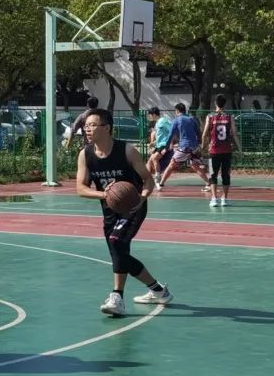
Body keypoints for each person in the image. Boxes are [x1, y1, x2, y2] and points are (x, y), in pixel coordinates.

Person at [75, 108, 172, 317]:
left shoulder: (127, 151)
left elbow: (147, 180)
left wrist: (143, 197)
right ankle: (158, 290)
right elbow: (80, 188)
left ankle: (116, 297)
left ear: (106, 128)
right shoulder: (85, 155)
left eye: (92, 125)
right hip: (110, 210)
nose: (87, 129)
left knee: (116, 243)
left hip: (133, 207)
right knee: (119, 253)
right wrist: (105, 194)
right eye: (86, 126)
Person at [157, 102, 211, 191]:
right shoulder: (192, 119)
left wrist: (166, 148)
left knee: (172, 163)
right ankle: (208, 183)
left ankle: (161, 184)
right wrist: (199, 144)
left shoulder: (176, 120)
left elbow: (170, 135)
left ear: (177, 111)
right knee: (195, 165)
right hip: (194, 147)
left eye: (175, 111)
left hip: (184, 147)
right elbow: (198, 132)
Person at [202, 95, 241, 207]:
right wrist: (240, 148)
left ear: (215, 103)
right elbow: (234, 133)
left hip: (214, 150)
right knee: (226, 175)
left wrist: (203, 146)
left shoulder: (210, 116)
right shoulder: (229, 116)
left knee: (212, 175)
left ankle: (214, 198)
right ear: (225, 104)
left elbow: (205, 133)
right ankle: (225, 198)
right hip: (226, 150)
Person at [145, 106, 172, 186]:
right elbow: (160, 135)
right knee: (149, 161)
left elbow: (171, 131)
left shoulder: (163, 121)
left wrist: (170, 143)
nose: (149, 116)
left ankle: (158, 177)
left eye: (150, 115)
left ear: (153, 114)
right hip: (159, 145)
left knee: (154, 158)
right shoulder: (157, 123)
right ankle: (146, 179)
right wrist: (153, 142)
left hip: (164, 144)